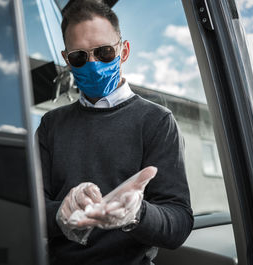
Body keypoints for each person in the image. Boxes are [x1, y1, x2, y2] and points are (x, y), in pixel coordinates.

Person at [37, 0, 193, 264]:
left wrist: (137, 214)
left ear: (124, 50)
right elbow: (28, 208)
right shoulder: (51, 125)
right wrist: (59, 213)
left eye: (105, 52)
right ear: (67, 59)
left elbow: (178, 223)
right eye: (79, 57)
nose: (94, 64)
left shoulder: (156, 121)